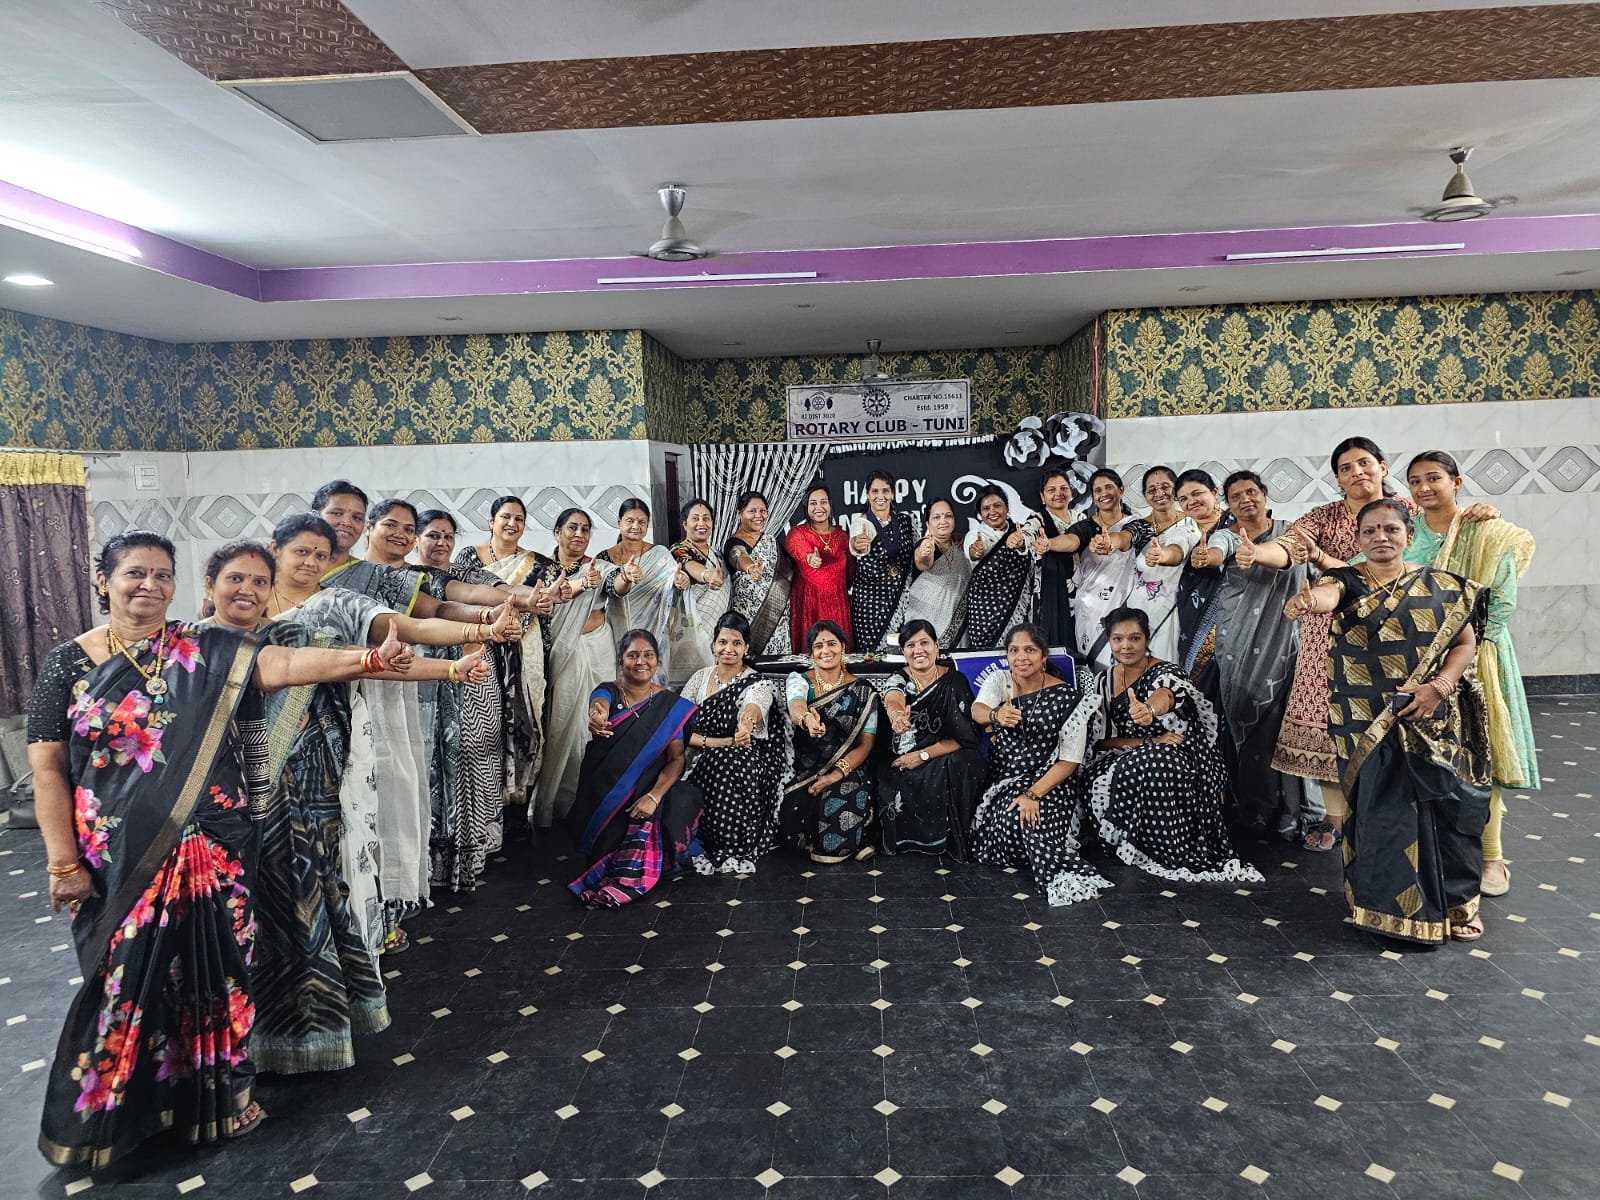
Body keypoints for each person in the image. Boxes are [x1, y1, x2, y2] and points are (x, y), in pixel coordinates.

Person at [28, 532, 425, 1168]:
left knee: (218, 973)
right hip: (119, 856)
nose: (150, 585)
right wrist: (63, 864)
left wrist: (368, 659)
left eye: (162, 575)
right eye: (134, 573)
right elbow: (48, 769)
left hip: (214, 840)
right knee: (125, 980)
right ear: (104, 580)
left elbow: (283, 666)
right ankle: (119, 1116)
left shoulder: (205, 647)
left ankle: (219, 1098)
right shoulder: (66, 664)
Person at [200, 534, 495, 1073]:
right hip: (212, 810)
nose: (248, 589)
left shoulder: (297, 632)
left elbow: (362, 664)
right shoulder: (188, 648)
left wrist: (451, 668)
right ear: (210, 584)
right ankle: (217, 1057)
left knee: (301, 910)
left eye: (257, 581)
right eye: (236, 579)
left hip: (299, 792)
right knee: (220, 925)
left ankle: (297, 1039)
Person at [1241, 440, 1497, 853]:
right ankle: (1337, 818)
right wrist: (1258, 552)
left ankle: (1410, 817)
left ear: (1382, 467)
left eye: (1364, 463)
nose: (1356, 472)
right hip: (1334, 636)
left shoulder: (1411, 511)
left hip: (1412, 637)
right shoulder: (1324, 517)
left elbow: (1448, 524)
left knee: (1408, 731)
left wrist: (1478, 515)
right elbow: (1290, 548)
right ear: (1337, 478)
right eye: (1345, 468)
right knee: (1331, 728)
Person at [1284, 498, 1491, 943]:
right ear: (1358, 539)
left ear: (1408, 535)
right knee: (1384, 811)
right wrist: (1309, 601)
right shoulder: (1347, 580)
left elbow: (1465, 643)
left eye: (1390, 529)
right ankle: (1383, 908)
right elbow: (1329, 595)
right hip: (1365, 720)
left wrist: (1438, 687)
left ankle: (1458, 904)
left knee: (1449, 807)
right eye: (1370, 531)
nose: (1380, 537)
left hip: (1431, 716)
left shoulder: (1442, 587)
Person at [1405, 451, 1538, 897]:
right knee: (1432, 758)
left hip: (1480, 655)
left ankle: (1492, 857)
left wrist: (1471, 653)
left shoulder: (1487, 532)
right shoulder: (1407, 532)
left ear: (1456, 482)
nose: (1424, 488)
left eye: (1433, 478)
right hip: (1418, 659)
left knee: (1483, 753)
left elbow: (1501, 599)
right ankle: (1440, 852)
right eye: (1415, 481)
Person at [1082, 608, 1264, 888]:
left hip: (1184, 752)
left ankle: (1176, 850)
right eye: (1118, 639)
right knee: (1105, 770)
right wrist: (1148, 742)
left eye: (1134, 638)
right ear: (1110, 641)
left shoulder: (1167, 671)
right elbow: (1103, 740)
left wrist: (1149, 710)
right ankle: (1135, 844)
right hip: (1131, 752)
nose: (1126, 646)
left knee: (1159, 760)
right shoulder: (1102, 682)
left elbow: (1166, 695)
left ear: (1147, 639)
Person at [411, 507, 530, 889]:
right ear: (416, 538)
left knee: (478, 754)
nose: (441, 543)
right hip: (423, 675)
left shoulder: (466, 573)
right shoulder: (403, 579)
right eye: (433, 535)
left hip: (477, 673)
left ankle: (473, 848)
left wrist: (533, 600)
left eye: (447, 536)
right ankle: (433, 862)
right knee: (430, 761)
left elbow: (500, 593)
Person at [969, 623, 1112, 905]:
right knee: (1010, 821)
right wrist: (997, 715)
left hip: (1052, 779)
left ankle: (1057, 868)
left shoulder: (1067, 698)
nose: (1021, 657)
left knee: (1029, 819)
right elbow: (977, 710)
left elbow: (1069, 761)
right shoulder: (1000, 681)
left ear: (1044, 656)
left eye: (1029, 650)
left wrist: (1033, 794)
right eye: (1014, 651)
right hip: (1006, 778)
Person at [1208, 472, 1315, 840]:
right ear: (1228, 504)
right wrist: (1211, 555)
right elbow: (1216, 550)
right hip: (1236, 644)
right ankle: (1253, 809)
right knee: (1244, 719)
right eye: (1235, 496)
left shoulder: (1291, 531)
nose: (1245, 500)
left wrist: (1256, 553)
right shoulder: (1225, 535)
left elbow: (1288, 555)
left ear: (1265, 494)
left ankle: (1291, 812)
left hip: (1285, 642)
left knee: (1284, 725)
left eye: (1251, 492)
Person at [567, 630, 704, 907]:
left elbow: (676, 759)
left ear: (657, 661)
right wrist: (596, 715)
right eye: (632, 655)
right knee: (604, 854)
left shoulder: (669, 705)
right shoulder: (609, 691)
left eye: (648, 655)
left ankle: (655, 857)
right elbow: (599, 703)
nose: (640, 662)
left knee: (683, 798)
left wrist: (653, 796)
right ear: (620, 660)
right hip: (605, 794)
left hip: (649, 788)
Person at [681, 612, 788, 874]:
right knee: (720, 758)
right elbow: (679, 729)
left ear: (746, 648)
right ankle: (708, 838)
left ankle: (734, 841)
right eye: (723, 642)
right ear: (713, 645)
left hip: (745, 760)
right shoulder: (699, 679)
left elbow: (755, 705)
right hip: (699, 757)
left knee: (729, 759)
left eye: (736, 643)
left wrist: (746, 725)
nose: (728, 649)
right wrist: (718, 742)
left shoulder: (756, 682)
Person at [532, 508, 613, 827]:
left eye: (585, 529)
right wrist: (579, 584)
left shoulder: (600, 568)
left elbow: (617, 584)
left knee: (599, 717)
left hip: (599, 650)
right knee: (562, 722)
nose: (579, 534)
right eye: (572, 528)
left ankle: (596, 802)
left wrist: (623, 579)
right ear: (557, 532)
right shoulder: (540, 569)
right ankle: (556, 805)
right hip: (561, 653)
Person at [879, 619, 986, 858]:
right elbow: (893, 698)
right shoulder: (898, 679)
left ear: (936, 646)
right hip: (905, 757)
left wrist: (924, 755)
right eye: (911, 645)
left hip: (941, 752)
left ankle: (958, 838)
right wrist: (896, 716)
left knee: (967, 762)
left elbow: (966, 736)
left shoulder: (955, 681)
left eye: (924, 643)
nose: (918, 650)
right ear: (904, 652)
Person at [781, 620, 878, 863]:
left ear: (843, 647)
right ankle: (858, 838)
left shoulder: (863, 690)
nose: (826, 651)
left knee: (841, 797)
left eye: (832, 644)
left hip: (849, 765)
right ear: (811, 653)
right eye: (818, 646)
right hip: (804, 768)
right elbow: (796, 706)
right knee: (792, 819)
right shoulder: (800, 680)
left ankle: (852, 836)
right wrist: (807, 720)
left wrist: (835, 774)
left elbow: (866, 744)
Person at [1068, 468, 1143, 669]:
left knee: (1124, 659)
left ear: (1121, 489)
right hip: (1088, 606)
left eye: (1109, 487)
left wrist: (1111, 543)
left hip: (1124, 602)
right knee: (1092, 666)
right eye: (1098, 490)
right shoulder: (1085, 527)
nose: (1104, 494)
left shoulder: (1136, 525)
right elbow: (1070, 541)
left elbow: (1123, 539)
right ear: (1093, 497)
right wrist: (1047, 544)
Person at [1127, 466, 1202, 663]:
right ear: (1145, 496)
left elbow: (1177, 550)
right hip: (1141, 608)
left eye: (1165, 487)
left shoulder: (1191, 523)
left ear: (1176, 489)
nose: (1159, 493)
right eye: (1152, 490)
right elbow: (1122, 538)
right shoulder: (1139, 527)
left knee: (1171, 664)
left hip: (1179, 606)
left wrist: (1163, 555)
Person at [601, 498, 680, 681]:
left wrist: (680, 581)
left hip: (655, 631)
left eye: (641, 522)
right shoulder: (604, 558)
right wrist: (625, 577)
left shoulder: (660, 554)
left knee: (652, 679)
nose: (636, 526)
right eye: (630, 521)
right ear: (619, 521)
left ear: (647, 524)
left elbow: (673, 580)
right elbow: (600, 595)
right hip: (617, 630)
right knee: (622, 680)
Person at [849, 470, 922, 651]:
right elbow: (857, 544)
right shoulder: (862, 523)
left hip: (902, 601)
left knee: (901, 653)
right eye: (875, 491)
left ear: (893, 494)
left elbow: (918, 552)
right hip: (869, 607)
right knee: (871, 658)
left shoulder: (906, 521)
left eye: (885, 490)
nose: (880, 496)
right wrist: (857, 544)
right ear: (867, 494)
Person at [1172, 470, 1234, 677]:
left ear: (1214, 492)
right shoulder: (1183, 531)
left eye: (1197, 493)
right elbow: (1173, 552)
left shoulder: (1236, 524)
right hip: (1193, 614)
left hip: (1236, 614)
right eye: (1183, 499)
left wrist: (1211, 557)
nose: (1191, 501)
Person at [964, 485, 1036, 651]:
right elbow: (972, 551)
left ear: (1007, 508)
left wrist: (1021, 543)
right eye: (986, 508)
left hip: (1017, 609)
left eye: (997, 505)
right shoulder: (975, 535)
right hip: (983, 615)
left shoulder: (1020, 533)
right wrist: (975, 551)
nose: (992, 512)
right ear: (980, 513)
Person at [723, 490, 793, 658]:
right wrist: (750, 568)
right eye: (752, 511)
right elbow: (738, 555)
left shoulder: (771, 541)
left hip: (778, 622)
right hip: (750, 621)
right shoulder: (733, 542)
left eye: (762, 511)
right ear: (739, 514)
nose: (758, 515)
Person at [784, 483, 853, 652]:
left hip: (838, 606)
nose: (819, 507)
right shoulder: (798, 533)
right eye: (813, 503)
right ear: (806, 508)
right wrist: (810, 558)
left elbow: (851, 572)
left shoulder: (843, 537)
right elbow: (797, 548)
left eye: (823, 502)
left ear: (830, 505)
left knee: (839, 655)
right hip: (810, 606)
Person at [668, 498, 730, 683]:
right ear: (685, 524)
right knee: (693, 683)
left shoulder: (716, 553)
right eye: (695, 518)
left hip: (718, 632)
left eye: (706, 518)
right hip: (692, 633)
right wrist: (707, 575)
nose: (701, 523)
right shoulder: (679, 550)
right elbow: (689, 565)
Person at [901, 496, 972, 650]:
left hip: (958, 633)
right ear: (927, 523)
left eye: (948, 516)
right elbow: (923, 561)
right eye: (936, 517)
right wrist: (925, 552)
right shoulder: (925, 544)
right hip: (923, 628)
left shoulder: (961, 545)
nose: (943, 521)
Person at [1031, 468, 1083, 649]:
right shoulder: (1037, 520)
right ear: (1042, 496)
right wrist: (1020, 541)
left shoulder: (1081, 518)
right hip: (1049, 594)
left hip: (1080, 592)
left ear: (1071, 492)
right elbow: (1026, 536)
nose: (1058, 494)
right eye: (1051, 490)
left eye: (1063, 488)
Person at [456, 494, 538, 570]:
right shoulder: (468, 556)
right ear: (492, 522)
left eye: (519, 519)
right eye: (505, 517)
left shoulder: (534, 562)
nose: (512, 524)